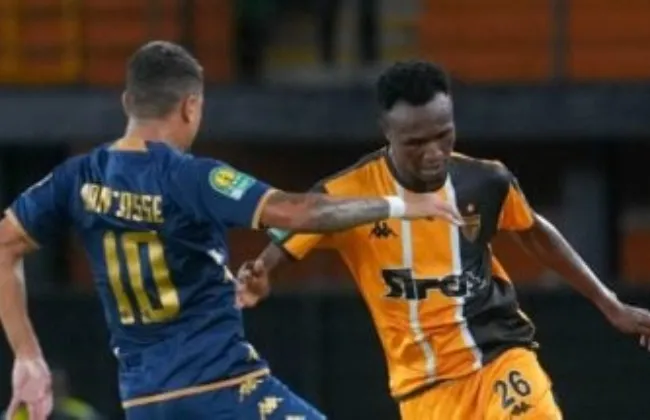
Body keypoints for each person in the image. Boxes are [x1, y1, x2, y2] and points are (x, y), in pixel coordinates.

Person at [0, 45, 462, 420]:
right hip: (220, 388)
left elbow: (4, 246)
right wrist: (402, 204)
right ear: (191, 106)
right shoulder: (190, 177)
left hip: (143, 401)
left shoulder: (77, 177)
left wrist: (27, 355)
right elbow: (296, 212)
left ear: (127, 102)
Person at [236, 60, 650, 419]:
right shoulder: (345, 196)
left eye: (444, 135)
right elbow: (288, 235)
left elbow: (535, 232)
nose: (434, 152)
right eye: (416, 143)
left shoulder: (485, 182)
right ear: (386, 131)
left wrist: (610, 304)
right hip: (424, 390)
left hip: (499, 355)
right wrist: (263, 272)